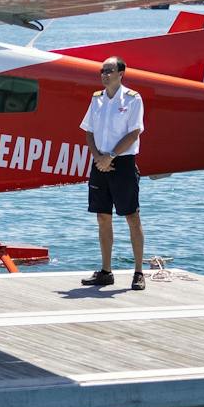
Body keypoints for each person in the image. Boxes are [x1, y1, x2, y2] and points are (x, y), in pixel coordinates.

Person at [80, 56, 147, 290]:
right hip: (99, 164)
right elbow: (88, 130)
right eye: (102, 71)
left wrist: (111, 156)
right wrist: (98, 157)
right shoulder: (96, 99)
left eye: (109, 70)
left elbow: (134, 132)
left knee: (131, 216)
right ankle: (106, 271)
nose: (104, 74)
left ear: (121, 73)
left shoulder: (133, 99)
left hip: (123, 164)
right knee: (102, 217)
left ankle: (139, 272)